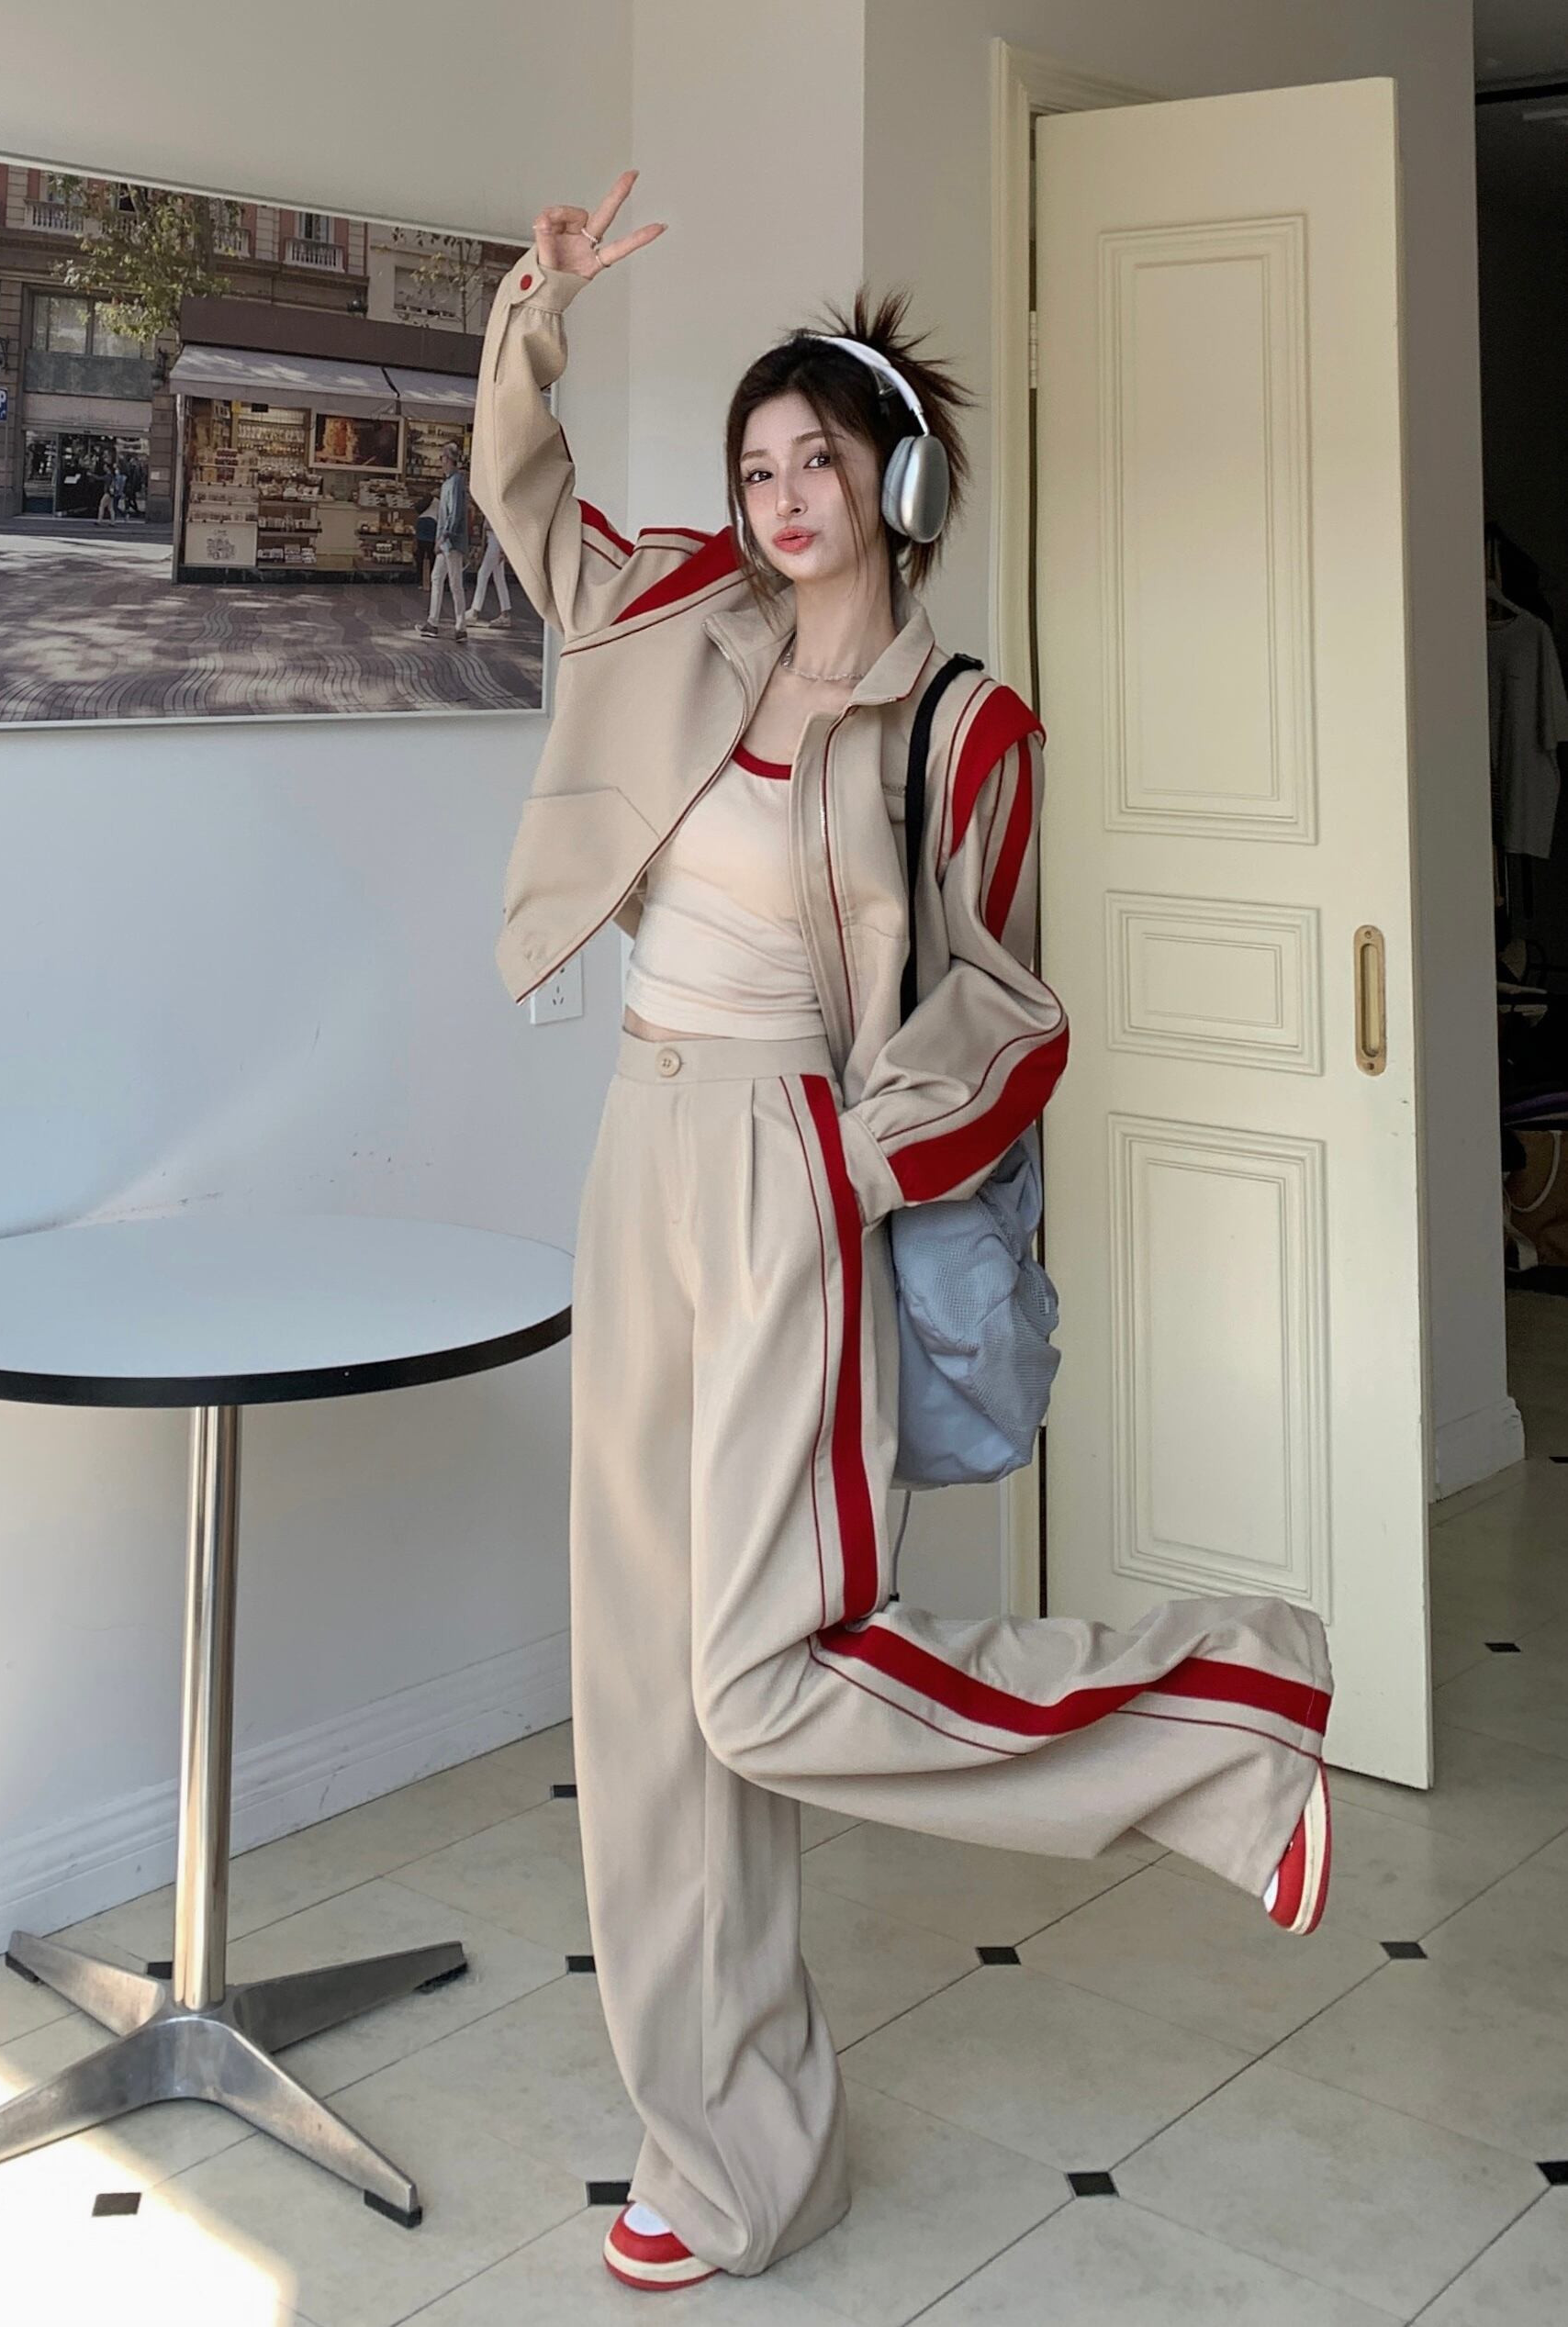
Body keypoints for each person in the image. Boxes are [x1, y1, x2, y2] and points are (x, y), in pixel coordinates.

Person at [470, 169, 1334, 2293]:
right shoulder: (681, 614)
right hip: (635, 1147)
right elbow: (529, 508)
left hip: (788, 1164)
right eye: (754, 464)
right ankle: (726, 2150)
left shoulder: (963, 725)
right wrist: (531, 318)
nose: (777, 496)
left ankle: (1215, 1714)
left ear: (892, 481)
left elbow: (1004, 1008)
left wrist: (850, 1168)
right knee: (642, 1696)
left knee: (758, 1678)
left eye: (813, 461)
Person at [415, 441, 469, 640]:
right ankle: (433, 622)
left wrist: (444, 536)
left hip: (451, 542)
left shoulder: (455, 483)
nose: (441, 462)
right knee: (437, 578)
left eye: (442, 458)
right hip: (446, 542)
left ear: (448, 459)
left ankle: (460, 627)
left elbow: (454, 513)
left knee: (455, 584)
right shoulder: (450, 483)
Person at [467, 518, 513, 625]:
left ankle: (475, 610)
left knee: (483, 574)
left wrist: (502, 549)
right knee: (499, 578)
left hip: (495, 541)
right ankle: (505, 613)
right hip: (495, 540)